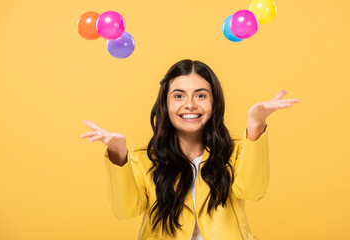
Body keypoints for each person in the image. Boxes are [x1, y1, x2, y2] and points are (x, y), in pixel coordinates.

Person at [80, 59, 300, 240]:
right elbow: (125, 211)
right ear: (165, 105)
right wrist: (118, 155)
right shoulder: (142, 160)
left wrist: (256, 124)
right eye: (178, 95)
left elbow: (253, 190)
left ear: (214, 103)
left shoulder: (234, 152)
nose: (190, 104)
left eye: (201, 95)